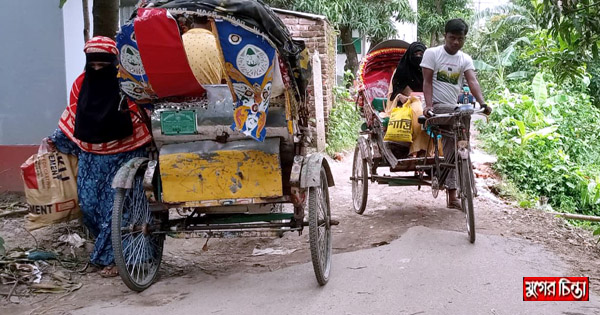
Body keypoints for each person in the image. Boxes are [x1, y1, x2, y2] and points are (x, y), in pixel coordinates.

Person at [47, 36, 152, 277]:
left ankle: (118, 260)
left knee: (119, 209)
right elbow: (74, 114)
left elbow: (143, 111)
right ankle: (114, 255)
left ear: (114, 62)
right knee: (90, 206)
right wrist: (55, 139)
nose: (97, 69)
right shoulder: (80, 84)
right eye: (92, 65)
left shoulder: (129, 82)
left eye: (103, 65)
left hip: (128, 150)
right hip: (91, 155)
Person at [420, 19, 488, 210]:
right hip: (439, 108)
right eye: (452, 38)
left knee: (460, 147)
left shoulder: (465, 59)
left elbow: (472, 81)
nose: (456, 42)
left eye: (460, 39)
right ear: (445, 36)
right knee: (453, 145)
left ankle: (457, 193)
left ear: (464, 38)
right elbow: (427, 82)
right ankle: (453, 192)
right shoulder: (432, 53)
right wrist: (428, 105)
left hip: (455, 111)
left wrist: (483, 103)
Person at [385, 41, 435, 157]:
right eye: (415, 54)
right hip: (406, 104)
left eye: (421, 54)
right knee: (418, 114)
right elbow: (393, 95)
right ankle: (418, 149)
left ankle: (435, 150)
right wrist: (401, 97)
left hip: (427, 102)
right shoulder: (401, 71)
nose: (418, 57)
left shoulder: (428, 71)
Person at [180, 15, 225, 85]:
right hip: (210, 93)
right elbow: (227, 80)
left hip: (180, 92)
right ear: (211, 22)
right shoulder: (219, 44)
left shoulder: (179, 40)